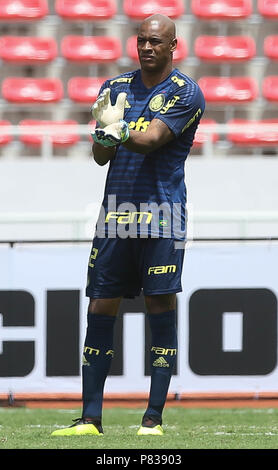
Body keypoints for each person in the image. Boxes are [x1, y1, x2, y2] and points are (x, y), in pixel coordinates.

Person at [51, 13, 205, 437]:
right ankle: (90, 419)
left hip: (162, 215)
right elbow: (102, 156)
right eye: (141, 40)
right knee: (100, 306)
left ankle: (152, 419)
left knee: (160, 306)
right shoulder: (114, 89)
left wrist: (115, 128)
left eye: (156, 41)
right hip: (116, 215)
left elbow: (153, 139)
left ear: (174, 45)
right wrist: (104, 135)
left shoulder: (186, 93)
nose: (147, 48)